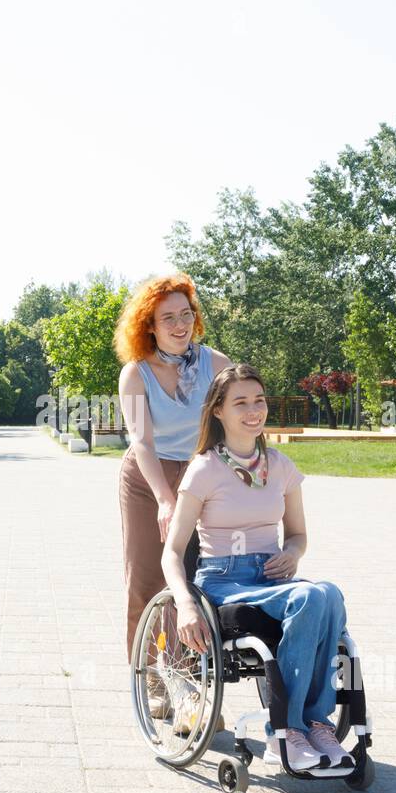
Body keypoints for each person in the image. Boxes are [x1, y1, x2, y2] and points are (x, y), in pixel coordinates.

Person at [159, 363, 353, 772]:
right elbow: (172, 552)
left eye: (259, 400)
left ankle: (316, 724)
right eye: (241, 402)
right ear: (218, 411)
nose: (253, 410)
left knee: (327, 592)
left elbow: (298, 534)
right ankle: (286, 729)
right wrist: (186, 604)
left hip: (272, 576)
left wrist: (294, 554)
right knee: (310, 595)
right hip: (224, 581)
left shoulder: (281, 466)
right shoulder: (204, 469)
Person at [116, 273, 231, 718]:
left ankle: (188, 682)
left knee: (193, 579)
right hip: (149, 479)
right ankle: (150, 681)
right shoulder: (136, 373)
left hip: (201, 473)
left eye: (186, 314)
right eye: (169, 318)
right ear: (150, 324)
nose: (180, 325)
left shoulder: (215, 364)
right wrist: (166, 499)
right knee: (147, 581)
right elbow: (141, 443)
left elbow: (239, 415)